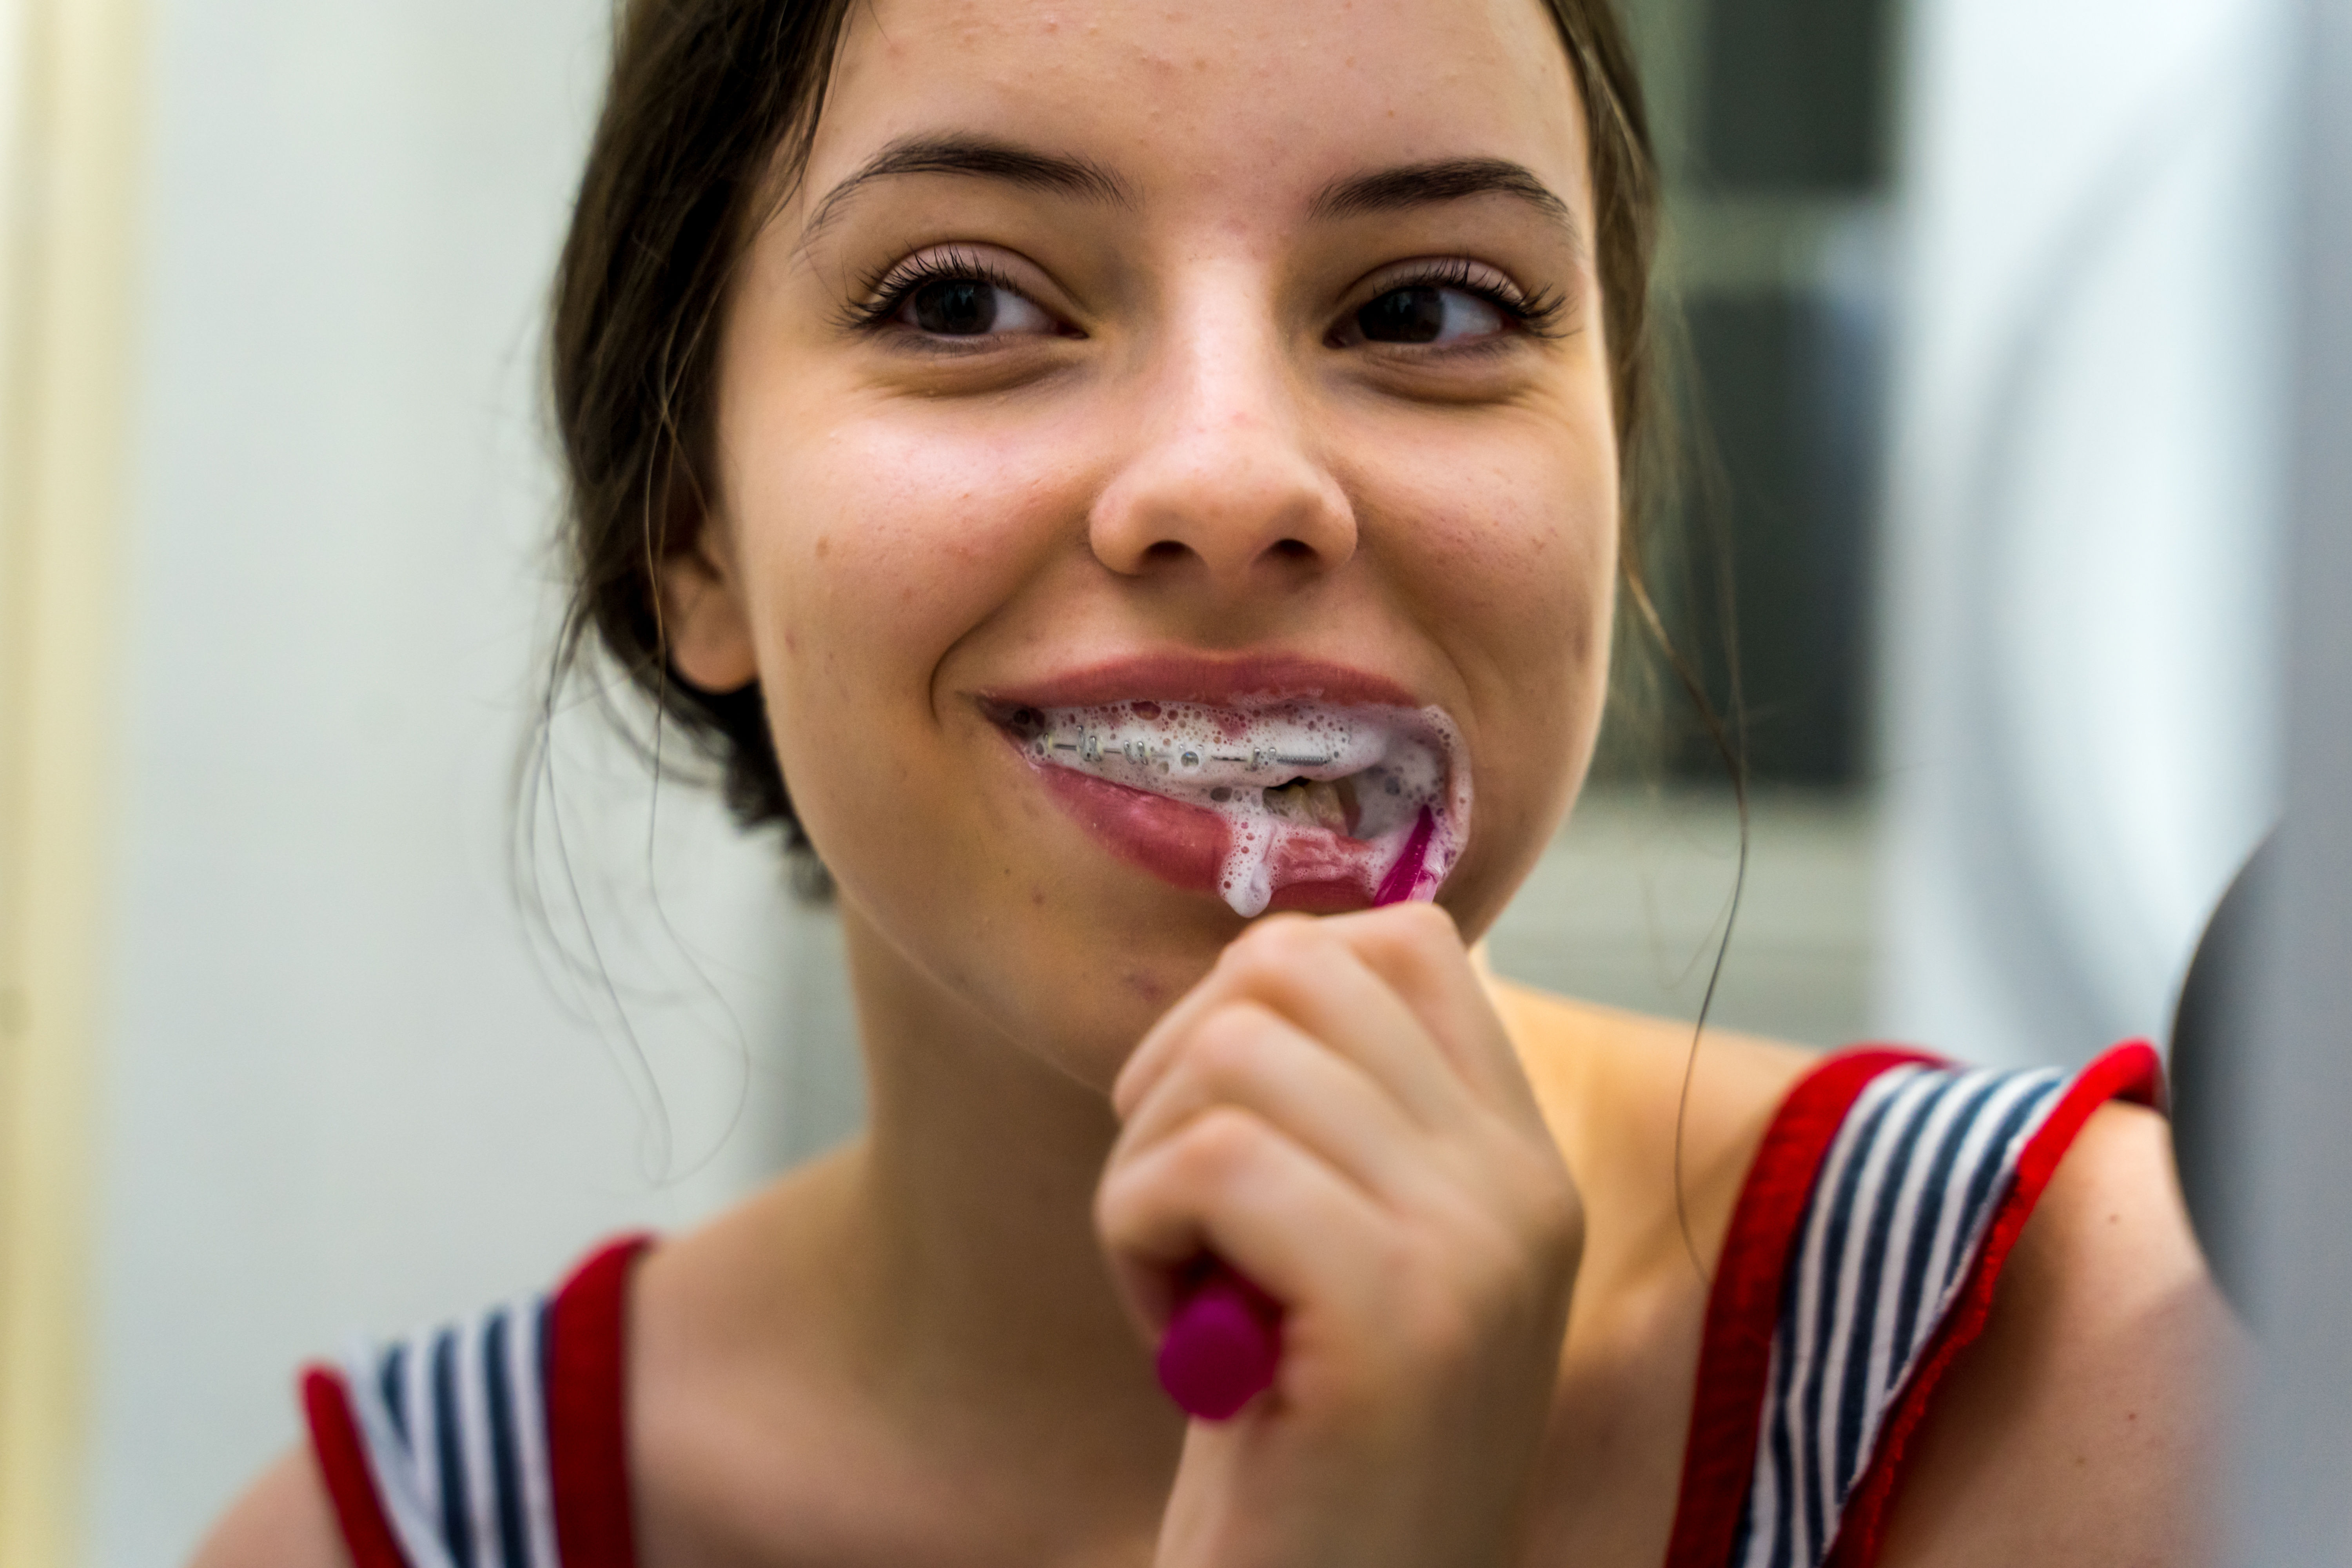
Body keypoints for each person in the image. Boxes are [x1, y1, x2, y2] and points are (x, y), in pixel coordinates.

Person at [193, 0, 2232, 1563]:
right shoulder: (399, 1533)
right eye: (966, 300)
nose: (1237, 477)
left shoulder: (2134, 1382)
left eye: (1428, 307)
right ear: (690, 532)